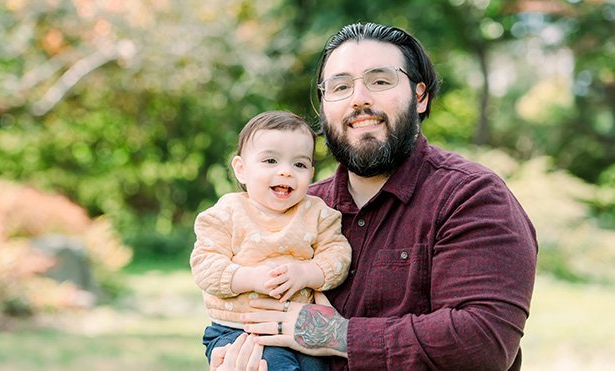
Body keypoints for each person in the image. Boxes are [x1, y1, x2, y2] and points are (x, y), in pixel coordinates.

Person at [231, 22, 538, 370]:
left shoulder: (470, 197)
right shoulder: (294, 208)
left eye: (380, 81)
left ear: (419, 96)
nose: (359, 98)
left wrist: (336, 335)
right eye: (341, 86)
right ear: (323, 106)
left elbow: (481, 343)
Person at [190, 110, 352, 371]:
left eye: (298, 164)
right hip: (240, 330)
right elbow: (205, 266)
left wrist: (306, 273)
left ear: (310, 173)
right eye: (270, 161)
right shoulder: (226, 214)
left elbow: (338, 255)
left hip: (300, 330)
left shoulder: (317, 213)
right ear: (241, 170)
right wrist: (250, 278)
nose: (286, 172)